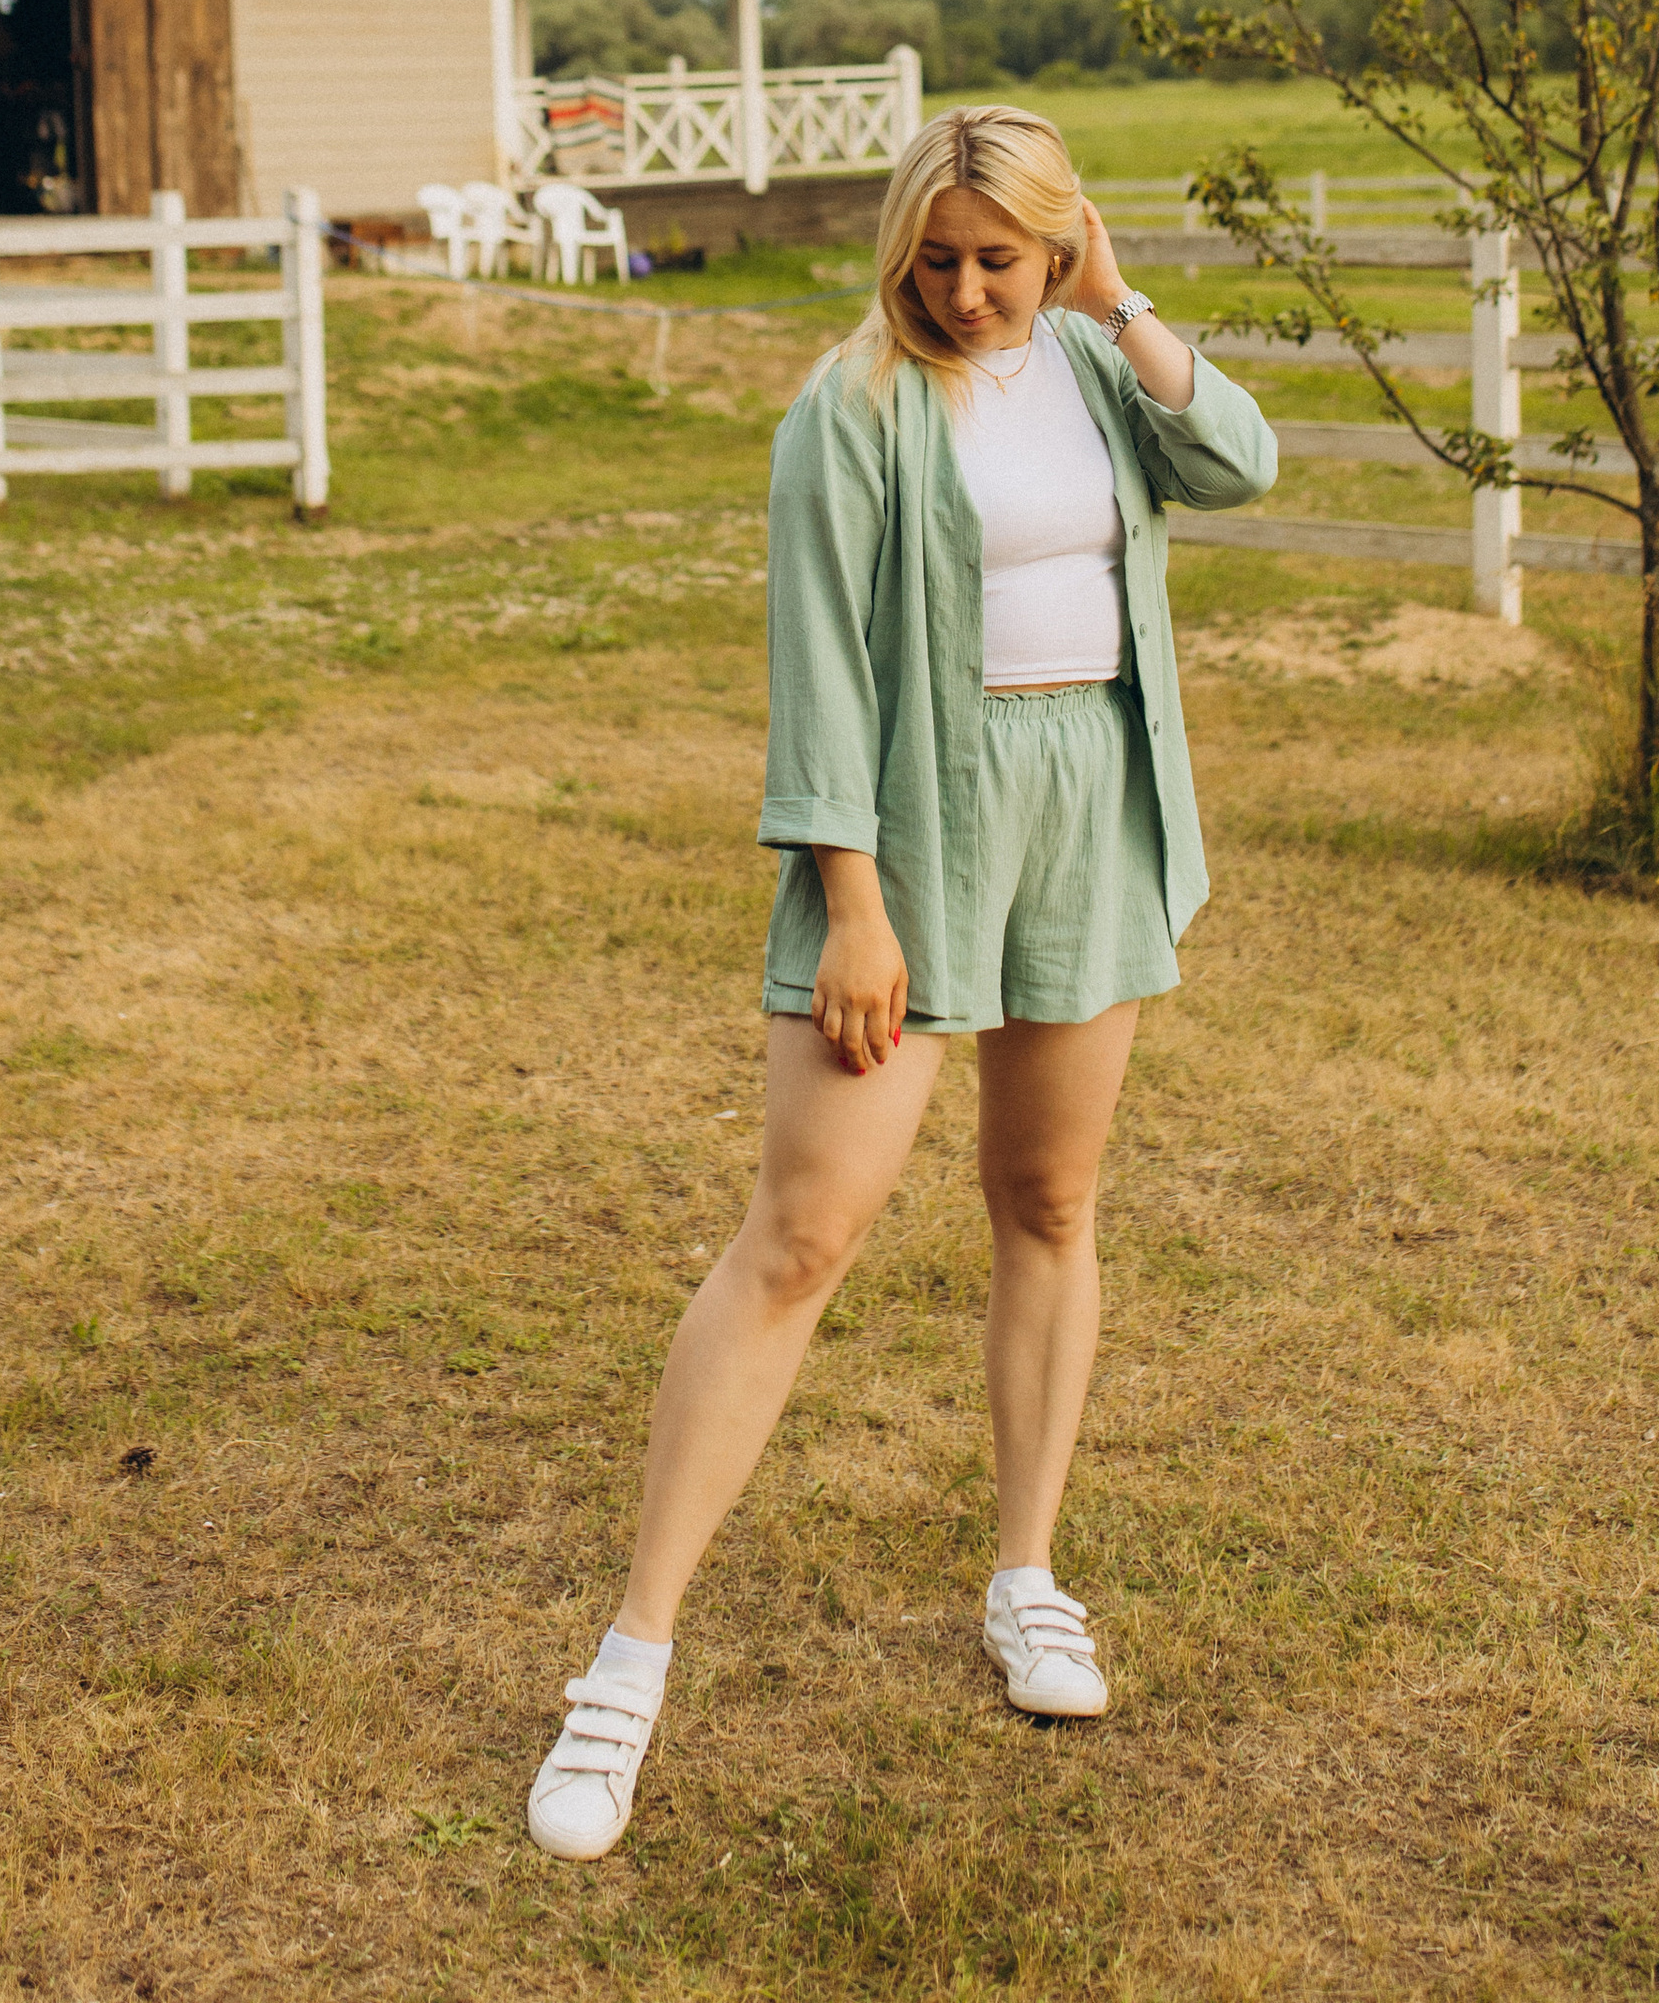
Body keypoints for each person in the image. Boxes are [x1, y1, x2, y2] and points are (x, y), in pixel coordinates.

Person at [522, 103, 1277, 1860]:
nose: (961, 294)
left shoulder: (1092, 365)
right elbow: (823, 669)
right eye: (934, 262)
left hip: (1089, 803)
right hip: (916, 826)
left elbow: (1234, 462)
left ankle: (1027, 1575)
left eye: (998, 262)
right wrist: (853, 901)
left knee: (1050, 1198)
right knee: (804, 1232)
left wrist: (1113, 300)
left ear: (1060, 241)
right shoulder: (846, 408)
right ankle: (627, 1668)